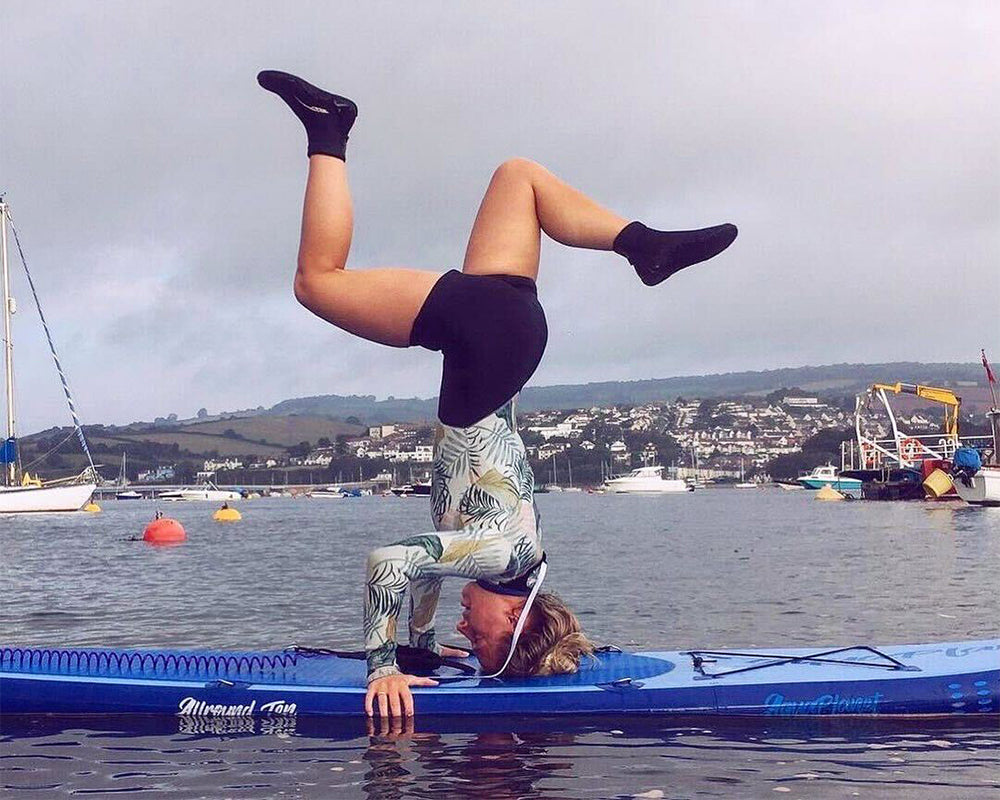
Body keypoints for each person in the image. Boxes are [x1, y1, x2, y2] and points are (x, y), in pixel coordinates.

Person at [258, 70, 737, 718]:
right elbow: (390, 563)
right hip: (486, 336)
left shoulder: (516, 554)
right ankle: (328, 128)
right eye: (480, 639)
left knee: (517, 176)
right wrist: (383, 669)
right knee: (317, 281)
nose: (467, 632)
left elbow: (429, 567)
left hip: (509, 326)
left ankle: (640, 244)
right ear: (513, 622)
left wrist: (421, 649)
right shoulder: (500, 552)